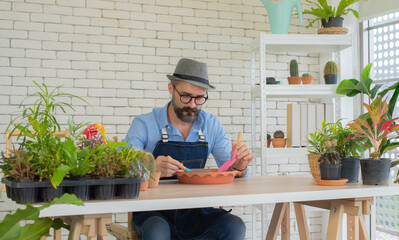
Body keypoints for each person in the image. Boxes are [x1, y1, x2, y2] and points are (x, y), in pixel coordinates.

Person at [124, 58, 254, 240]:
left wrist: (240, 166)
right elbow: (123, 166)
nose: (192, 105)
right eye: (185, 96)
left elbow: (231, 171)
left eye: (199, 98)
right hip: (153, 213)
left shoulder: (212, 125)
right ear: (171, 89)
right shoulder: (144, 123)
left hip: (197, 211)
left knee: (234, 226)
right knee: (157, 230)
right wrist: (150, 164)